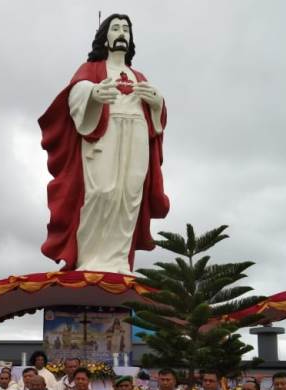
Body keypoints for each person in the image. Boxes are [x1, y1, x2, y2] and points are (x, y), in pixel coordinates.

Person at [38, 13, 169, 273]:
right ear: (105, 36)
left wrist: (157, 102)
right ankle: (91, 259)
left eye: (126, 30)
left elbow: (158, 117)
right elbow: (76, 93)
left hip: (136, 134)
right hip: (104, 133)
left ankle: (119, 260)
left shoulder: (138, 75)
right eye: (116, 28)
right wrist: (93, 93)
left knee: (130, 195)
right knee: (102, 192)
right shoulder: (92, 70)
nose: (122, 33)